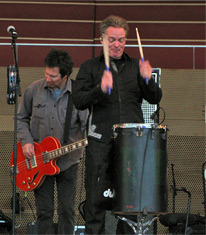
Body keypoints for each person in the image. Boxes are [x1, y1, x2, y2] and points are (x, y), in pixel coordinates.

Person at [72, 15, 162, 234]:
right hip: (100, 142)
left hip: (132, 145)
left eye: (121, 40)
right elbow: (78, 100)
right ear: (102, 39)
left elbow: (155, 98)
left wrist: (149, 79)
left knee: (130, 202)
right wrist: (100, 90)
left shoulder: (135, 67)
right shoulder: (90, 67)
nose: (116, 44)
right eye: (112, 39)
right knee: (95, 201)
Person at [17, 48, 88, 234]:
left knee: (67, 210)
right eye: (46, 74)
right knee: (44, 211)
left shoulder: (78, 94)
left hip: (68, 161)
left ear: (65, 76)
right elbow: (21, 118)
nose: (48, 78)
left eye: (53, 76)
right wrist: (26, 141)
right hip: (39, 161)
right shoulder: (34, 89)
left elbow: (88, 126)